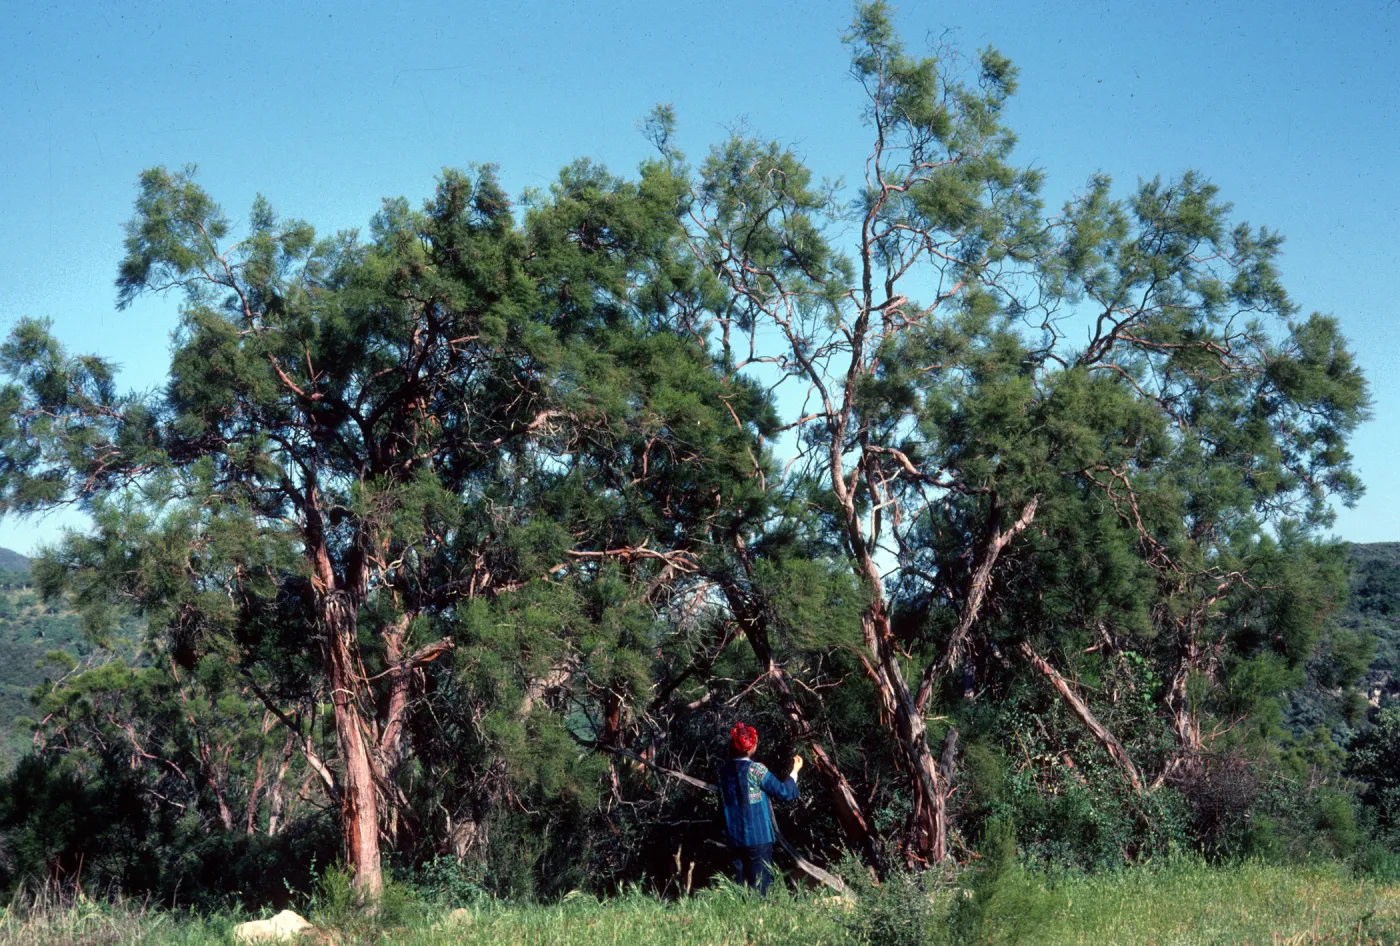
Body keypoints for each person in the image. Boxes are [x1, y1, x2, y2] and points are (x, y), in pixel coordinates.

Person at [717, 722, 802, 895]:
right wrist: (795, 771)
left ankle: (740, 920)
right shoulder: (756, 770)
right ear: (751, 748)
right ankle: (759, 919)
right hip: (759, 838)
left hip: (734, 838)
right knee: (760, 891)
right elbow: (784, 792)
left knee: (739, 890)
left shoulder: (723, 772)